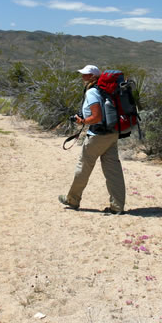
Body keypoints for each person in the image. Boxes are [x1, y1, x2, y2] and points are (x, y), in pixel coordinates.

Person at [58, 64, 126, 214]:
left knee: (83, 168)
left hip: (97, 136)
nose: (83, 77)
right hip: (112, 133)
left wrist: (81, 121)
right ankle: (117, 206)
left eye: (86, 75)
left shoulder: (93, 92)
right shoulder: (108, 92)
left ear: (93, 77)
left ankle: (72, 200)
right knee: (113, 171)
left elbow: (96, 117)